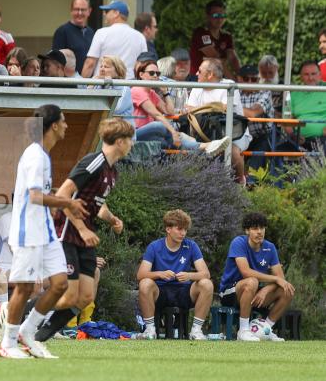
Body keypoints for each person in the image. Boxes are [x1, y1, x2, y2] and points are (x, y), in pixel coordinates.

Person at [0, 105, 89, 359]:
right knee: (24, 289)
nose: (67, 126)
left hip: (46, 233)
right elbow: (36, 197)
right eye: (64, 121)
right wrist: (67, 203)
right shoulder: (35, 156)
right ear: (54, 125)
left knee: (60, 285)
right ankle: (7, 343)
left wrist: (58, 208)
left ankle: (28, 332)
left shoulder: (44, 155)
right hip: (28, 233)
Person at [35, 117, 135, 343]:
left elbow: (97, 205)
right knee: (68, 294)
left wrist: (112, 219)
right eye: (130, 140)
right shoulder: (94, 162)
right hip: (69, 231)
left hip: (85, 235)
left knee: (85, 297)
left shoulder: (113, 172)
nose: (132, 144)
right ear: (119, 141)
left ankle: (38, 337)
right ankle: (22, 318)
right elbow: (63, 195)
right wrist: (81, 229)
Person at [135, 210, 214, 341]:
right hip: (160, 292)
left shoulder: (191, 246)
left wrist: (189, 275)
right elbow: (141, 275)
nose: (183, 233)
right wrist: (160, 274)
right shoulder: (154, 246)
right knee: (145, 283)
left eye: (185, 230)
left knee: (207, 284)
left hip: (184, 292)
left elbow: (205, 274)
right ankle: (149, 331)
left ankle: (196, 331)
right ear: (168, 229)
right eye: (179, 229)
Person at [219, 212, 294, 342]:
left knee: (287, 289)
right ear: (247, 230)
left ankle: (265, 329)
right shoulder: (238, 242)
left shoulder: (270, 248)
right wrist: (275, 279)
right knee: (251, 281)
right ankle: (243, 331)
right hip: (230, 292)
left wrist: (266, 289)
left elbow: (281, 279)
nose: (259, 232)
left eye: (262, 228)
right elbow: (246, 272)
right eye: (255, 228)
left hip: (253, 291)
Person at [132, 58, 228, 154]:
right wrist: (173, 132)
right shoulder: (137, 90)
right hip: (136, 132)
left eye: (158, 74)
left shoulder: (151, 92)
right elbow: (157, 115)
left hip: (150, 133)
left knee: (170, 143)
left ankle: (205, 150)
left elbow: (170, 112)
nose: (155, 76)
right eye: (152, 73)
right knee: (160, 126)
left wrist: (165, 92)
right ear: (141, 75)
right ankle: (206, 146)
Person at [187, 58, 250, 182]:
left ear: (210, 74)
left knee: (232, 151)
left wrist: (199, 109)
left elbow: (225, 109)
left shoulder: (229, 85)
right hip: (205, 133)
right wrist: (213, 107)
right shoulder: (197, 86)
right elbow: (189, 110)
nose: (196, 74)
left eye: (199, 71)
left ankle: (240, 183)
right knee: (192, 149)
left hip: (234, 134)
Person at [81, 0, 147, 79]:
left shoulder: (102, 33)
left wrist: (82, 86)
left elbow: (90, 63)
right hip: (129, 85)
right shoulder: (140, 37)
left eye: (107, 11)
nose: (104, 14)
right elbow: (143, 65)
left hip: (104, 85)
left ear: (116, 13)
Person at [236, 63, 276, 168]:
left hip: (261, 136)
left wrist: (231, 106)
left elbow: (253, 114)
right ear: (239, 79)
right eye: (246, 79)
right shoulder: (235, 93)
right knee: (230, 161)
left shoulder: (265, 92)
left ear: (258, 80)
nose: (250, 82)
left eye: (253, 80)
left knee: (254, 168)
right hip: (239, 135)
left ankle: (251, 182)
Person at [190, 0, 240, 78]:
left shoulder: (226, 36)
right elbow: (216, 60)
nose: (219, 19)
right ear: (207, 16)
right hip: (198, 79)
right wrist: (235, 82)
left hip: (217, 79)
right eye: (216, 16)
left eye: (222, 16)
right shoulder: (201, 33)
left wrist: (242, 77)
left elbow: (233, 59)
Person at [284, 60, 326, 147]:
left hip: (323, 138)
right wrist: (293, 135)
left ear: (320, 74)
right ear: (301, 77)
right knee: (279, 150)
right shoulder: (293, 94)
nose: (310, 78)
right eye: (306, 74)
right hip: (299, 140)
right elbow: (286, 119)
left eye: (313, 74)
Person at [52, 0, 94, 74]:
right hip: (69, 82)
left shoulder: (91, 33)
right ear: (71, 10)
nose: (79, 13)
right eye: (76, 9)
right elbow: (55, 60)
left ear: (89, 11)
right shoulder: (62, 31)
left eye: (83, 10)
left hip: (88, 82)